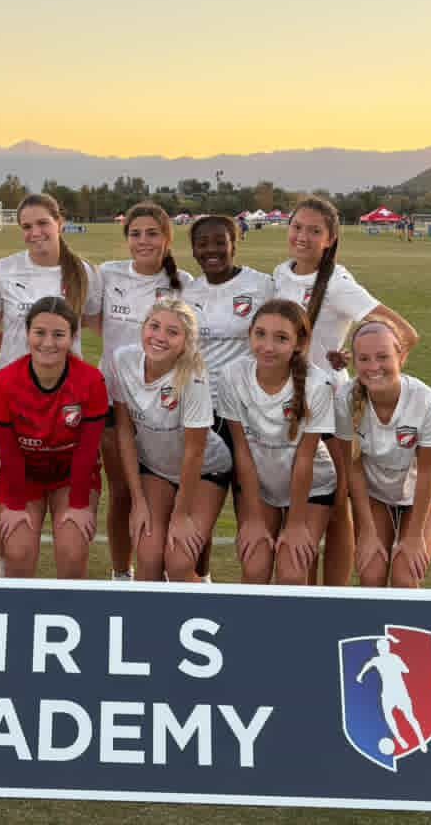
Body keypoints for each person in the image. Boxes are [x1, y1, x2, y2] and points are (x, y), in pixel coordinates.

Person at [272, 196, 419, 586]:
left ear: (331, 239)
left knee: (338, 505)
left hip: (332, 407)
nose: (302, 236)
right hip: (289, 403)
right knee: (298, 499)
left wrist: (364, 362)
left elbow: (405, 333)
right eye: (297, 227)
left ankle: (334, 594)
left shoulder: (338, 283)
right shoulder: (281, 273)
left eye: (314, 231)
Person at [97, 201, 192, 581]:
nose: (143, 241)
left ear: (167, 238)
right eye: (135, 234)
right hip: (113, 403)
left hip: (167, 409)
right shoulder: (107, 275)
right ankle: (122, 573)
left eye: (152, 233)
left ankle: (175, 567)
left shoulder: (184, 283)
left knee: (168, 490)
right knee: (121, 493)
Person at [179, 214, 274, 582]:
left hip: (251, 415)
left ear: (236, 243)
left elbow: (289, 333)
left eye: (220, 241)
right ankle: (201, 583)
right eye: (202, 243)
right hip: (203, 415)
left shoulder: (262, 286)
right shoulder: (188, 294)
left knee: (251, 509)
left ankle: (256, 590)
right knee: (199, 509)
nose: (211, 250)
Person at [217, 300, 338, 585]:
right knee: (255, 567)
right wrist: (254, 517)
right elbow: (242, 453)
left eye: (281, 338)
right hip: (261, 488)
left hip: (311, 489)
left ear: (299, 343)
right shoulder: (232, 376)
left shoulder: (317, 385)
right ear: (250, 335)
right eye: (260, 334)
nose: (268, 346)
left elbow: (305, 459)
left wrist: (295, 524)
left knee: (292, 573)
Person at [112, 299, 232, 583]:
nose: (160, 337)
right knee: (149, 558)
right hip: (157, 469)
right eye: (154, 326)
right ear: (143, 328)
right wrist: (138, 500)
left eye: (172, 332)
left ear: (185, 343)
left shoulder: (193, 376)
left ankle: (203, 617)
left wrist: (181, 513)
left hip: (205, 471)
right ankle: (146, 627)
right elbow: (126, 432)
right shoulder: (123, 360)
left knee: (178, 563)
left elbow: (195, 450)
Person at [0, 297, 106, 579]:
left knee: (73, 550)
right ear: (27, 334)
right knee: (18, 551)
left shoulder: (91, 382)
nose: (48, 343)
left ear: (73, 337)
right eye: (39, 332)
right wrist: (15, 505)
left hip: (71, 477)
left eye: (58, 334)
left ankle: (73, 613)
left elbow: (87, 451)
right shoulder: (5, 382)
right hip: (25, 477)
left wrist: (79, 504)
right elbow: (9, 453)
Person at [335, 320, 431, 588]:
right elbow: (352, 468)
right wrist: (365, 530)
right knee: (371, 573)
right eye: (364, 359)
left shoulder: (426, 400)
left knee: (405, 576)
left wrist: (412, 537)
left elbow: (427, 471)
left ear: (400, 356)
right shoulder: (344, 399)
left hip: (426, 494)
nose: (374, 367)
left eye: (383, 357)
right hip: (376, 494)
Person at [0, 193, 102, 376]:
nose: (35, 233)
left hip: (65, 387)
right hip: (12, 386)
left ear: (59, 223)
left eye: (43, 223)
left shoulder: (85, 273)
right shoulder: (3, 270)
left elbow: (98, 325)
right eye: (27, 227)